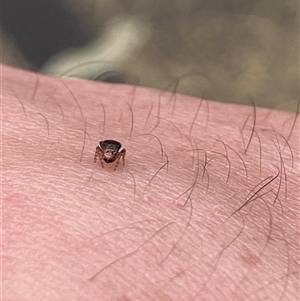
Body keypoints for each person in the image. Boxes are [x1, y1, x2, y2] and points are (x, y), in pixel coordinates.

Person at [2, 64, 299, 300]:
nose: (107, 158)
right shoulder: (101, 150)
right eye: (105, 156)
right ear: (103, 152)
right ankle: (85, 66)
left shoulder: (118, 153)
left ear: (116, 154)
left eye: (110, 156)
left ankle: (78, 65)